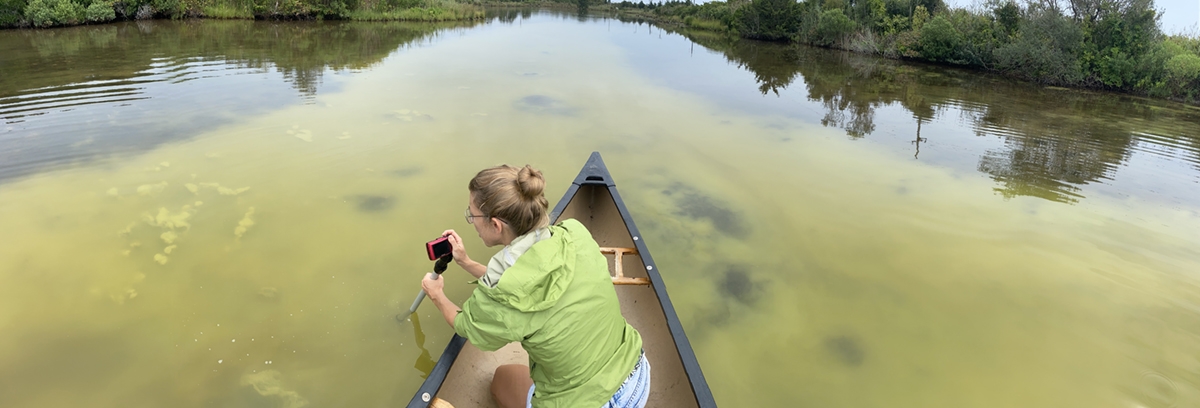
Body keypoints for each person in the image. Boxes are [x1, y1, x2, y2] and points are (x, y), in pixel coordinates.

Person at [420, 164, 650, 408]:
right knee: (510, 378)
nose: (471, 222)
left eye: (472, 215)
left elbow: (466, 325)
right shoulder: (574, 234)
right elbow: (523, 280)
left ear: (496, 225)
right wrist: (466, 262)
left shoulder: (505, 291)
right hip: (637, 377)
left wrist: (437, 296)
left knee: (500, 381)